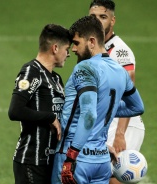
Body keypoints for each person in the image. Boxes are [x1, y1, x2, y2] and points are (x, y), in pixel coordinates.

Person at [51, 15, 144, 184]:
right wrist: (107, 107)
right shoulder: (120, 71)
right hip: (101, 160)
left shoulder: (84, 68)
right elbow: (137, 107)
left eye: (77, 43)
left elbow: (88, 115)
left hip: (76, 158)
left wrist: (71, 156)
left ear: (92, 41)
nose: (73, 49)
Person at [89, 1, 146, 182]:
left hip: (122, 123)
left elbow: (127, 94)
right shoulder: (92, 48)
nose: (97, 21)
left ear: (112, 21)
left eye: (103, 17)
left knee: (112, 176)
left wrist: (120, 134)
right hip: (106, 122)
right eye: (93, 17)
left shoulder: (120, 52)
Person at [8, 24, 71, 184]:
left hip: (50, 161)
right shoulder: (31, 71)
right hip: (31, 161)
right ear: (55, 48)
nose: (68, 54)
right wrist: (49, 117)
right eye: (66, 49)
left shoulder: (56, 79)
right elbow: (15, 110)